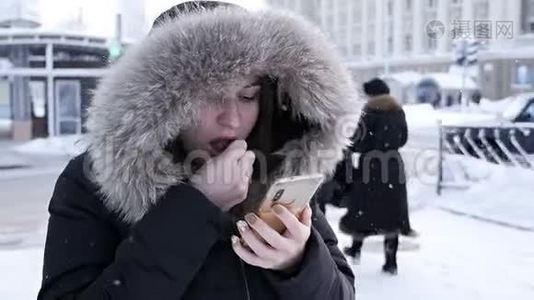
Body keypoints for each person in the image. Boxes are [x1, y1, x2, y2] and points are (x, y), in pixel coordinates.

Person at [38, 2, 363, 299]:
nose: (232, 119)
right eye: (210, 96)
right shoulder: (93, 181)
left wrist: (299, 262)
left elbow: (341, 294)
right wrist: (195, 208)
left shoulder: (280, 165)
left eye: (248, 96)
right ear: (162, 101)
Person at [339, 78, 414, 275]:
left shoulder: (370, 111)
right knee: (392, 213)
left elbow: (357, 140)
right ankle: (391, 262)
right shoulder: (398, 110)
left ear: (371, 94)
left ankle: (355, 250)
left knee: (363, 208)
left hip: (370, 167)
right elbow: (403, 138)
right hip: (392, 166)